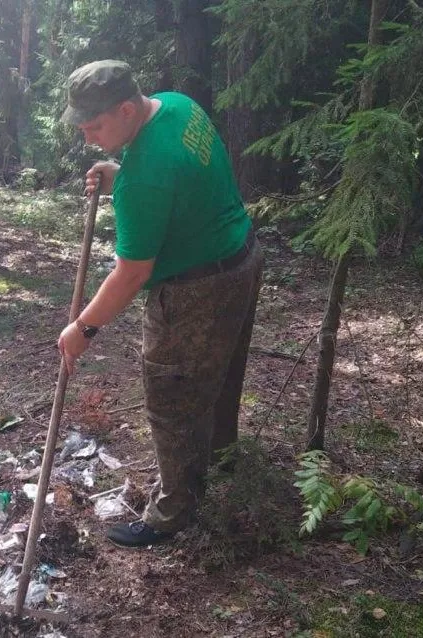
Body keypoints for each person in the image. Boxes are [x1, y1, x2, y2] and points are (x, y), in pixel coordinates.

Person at [56, 60, 264, 548]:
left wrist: (83, 329)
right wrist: (125, 171)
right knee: (221, 371)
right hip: (241, 258)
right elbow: (180, 173)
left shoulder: (144, 180)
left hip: (197, 291)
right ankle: (221, 458)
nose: (88, 139)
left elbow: (132, 274)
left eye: (95, 127)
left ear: (126, 109)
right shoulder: (176, 105)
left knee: (172, 399)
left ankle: (173, 513)